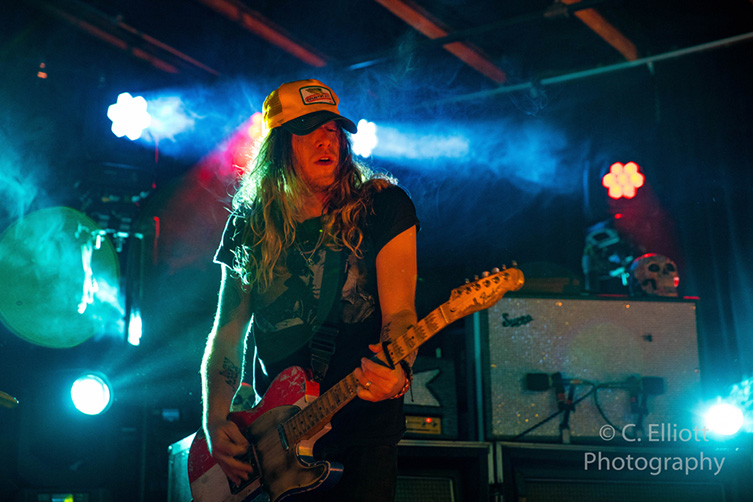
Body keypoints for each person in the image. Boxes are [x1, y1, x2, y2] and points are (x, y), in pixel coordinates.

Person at [200, 78, 419, 501]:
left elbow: (401, 314)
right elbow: (227, 334)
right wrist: (215, 418)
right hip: (273, 445)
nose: (326, 139)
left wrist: (400, 370)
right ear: (279, 145)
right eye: (310, 128)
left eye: (333, 128)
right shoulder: (249, 224)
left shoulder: (383, 207)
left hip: (361, 434)